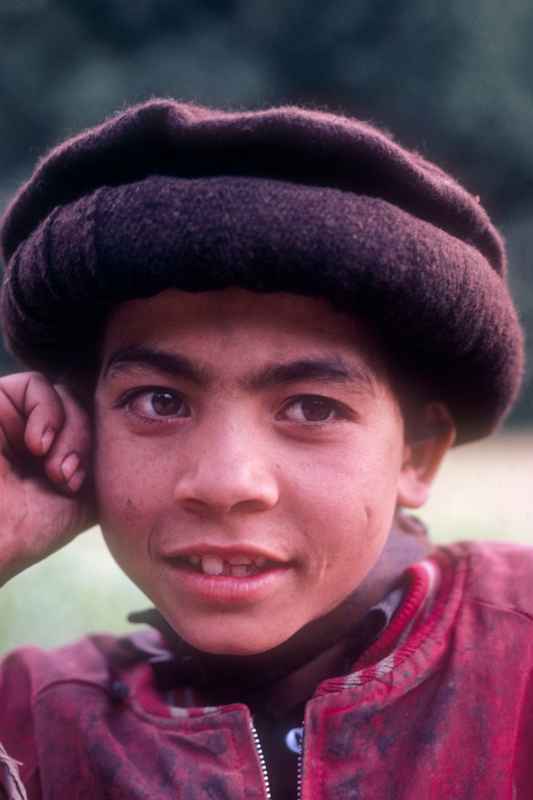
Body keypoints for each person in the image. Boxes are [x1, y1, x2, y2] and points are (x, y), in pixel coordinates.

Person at [0, 99, 528, 800]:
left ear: (417, 454)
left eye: (312, 408)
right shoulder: (34, 717)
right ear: (84, 430)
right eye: (159, 401)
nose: (224, 484)